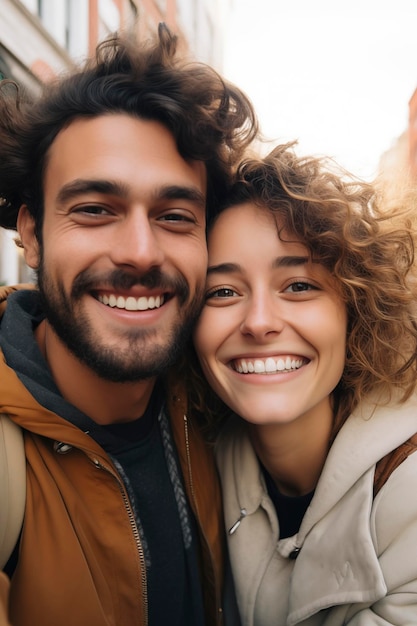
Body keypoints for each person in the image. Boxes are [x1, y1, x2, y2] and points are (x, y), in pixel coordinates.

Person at [0, 23, 258, 626]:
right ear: (31, 234)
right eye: (94, 210)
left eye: (174, 215)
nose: (140, 252)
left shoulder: (225, 400)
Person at [192, 143, 417, 625]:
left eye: (298, 286)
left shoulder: (409, 497)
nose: (258, 323)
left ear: (355, 308)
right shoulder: (195, 457)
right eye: (223, 291)